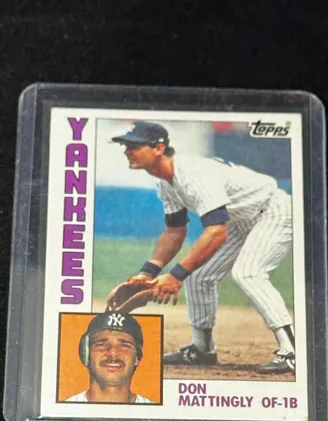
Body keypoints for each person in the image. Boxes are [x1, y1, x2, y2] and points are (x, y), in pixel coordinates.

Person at [111, 120, 296, 375]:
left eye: (134, 145)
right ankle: (202, 349)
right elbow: (174, 231)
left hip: (274, 211)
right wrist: (147, 272)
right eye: (126, 145)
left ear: (159, 148)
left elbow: (217, 232)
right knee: (198, 276)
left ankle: (292, 351)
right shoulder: (165, 182)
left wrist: (175, 276)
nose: (127, 151)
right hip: (243, 220)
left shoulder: (192, 174)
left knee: (248, 273)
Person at [64, 311, 155, 404]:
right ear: (86, 354)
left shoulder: (156, 411)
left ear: (137, 357)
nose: (113, 353)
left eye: (125, 345)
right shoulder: (64, 409)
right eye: (101, 344)